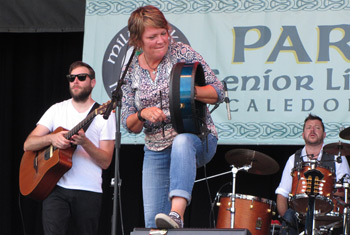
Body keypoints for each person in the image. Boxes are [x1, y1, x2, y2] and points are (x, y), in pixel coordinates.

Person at [120, 5, 224, 229]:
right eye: (152, 37)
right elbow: (130, 124)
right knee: (153, 225)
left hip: (196, 138)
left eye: (163, 33)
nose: (160, 40)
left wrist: (189, 91)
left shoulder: (183, 53)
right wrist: (142, 113)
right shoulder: (130, 69)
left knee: (182, 141)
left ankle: (177, 213)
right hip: (155, 149)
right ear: (138, 41)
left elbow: (218, 92)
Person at [23, 61, 116, 234]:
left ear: (93, 82)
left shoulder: (105, 115)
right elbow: (28, 144)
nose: (75, 81)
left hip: (88, 190)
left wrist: (85, 143)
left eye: (81, 77)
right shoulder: (56, 109)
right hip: (55, 187)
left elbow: (106, 162)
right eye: (71, 78)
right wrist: (52, 138)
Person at [275, 114, 350, 235]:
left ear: (324, 134)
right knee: (289, 215)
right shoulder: (293, 159)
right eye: (309, 127)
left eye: (317, 128)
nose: (313, 130)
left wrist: (330, 194)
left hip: (329, 211)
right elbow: (282, 193)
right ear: (303, 134)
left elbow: (346, 191)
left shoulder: (338, 157)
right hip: (300, 213)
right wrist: (287, 222)